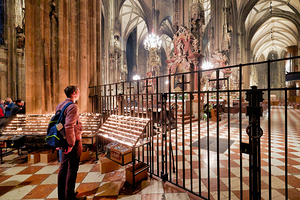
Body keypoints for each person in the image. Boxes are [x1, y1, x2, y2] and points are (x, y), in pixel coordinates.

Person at [56, 86, 85, 200]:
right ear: (74, 93)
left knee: (63, 169)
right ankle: (70, 196)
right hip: (73, 142)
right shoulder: (73, 106)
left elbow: (58, 125)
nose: (79, 94)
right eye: (78, 92)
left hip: (64, 141)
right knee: (72, 169)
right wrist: (71, 144)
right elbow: (69, 126)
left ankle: (62, 196)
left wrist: (62, 140)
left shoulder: (60, 105)